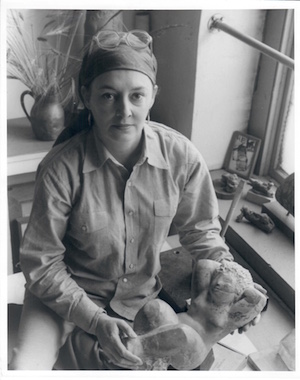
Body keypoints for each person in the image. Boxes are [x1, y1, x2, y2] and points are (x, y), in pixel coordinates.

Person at [9, 29, 264, 370]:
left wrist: (236, 285)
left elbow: (201, 232)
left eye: (137, 96)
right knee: (26, 366)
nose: (124, 110)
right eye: (109, 96)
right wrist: (96, 321)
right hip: (60, 299)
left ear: (153, 96)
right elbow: (42, 266)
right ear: (87, 95)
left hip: (138, 301)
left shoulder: (182, 156)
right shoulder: (59, 169)